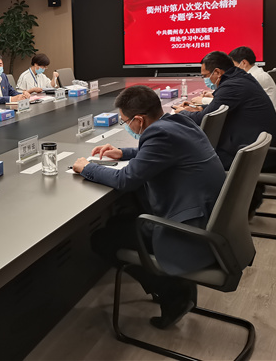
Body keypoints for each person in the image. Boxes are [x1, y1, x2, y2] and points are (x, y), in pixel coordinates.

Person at [71, 85, 224, 329]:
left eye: (125, 121)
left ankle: (174, 294)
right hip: (206, 218)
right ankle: (177, 287)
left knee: (103, 239)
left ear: (139, 120)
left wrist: (87, 168)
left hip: (187, 231)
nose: (126, 126)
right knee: (121, 221)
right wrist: (122, 153)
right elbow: (158, 152)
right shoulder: (179, 122)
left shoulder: (158, 135)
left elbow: (125, 180)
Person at [173, 51, 276, 173]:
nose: (205, 79)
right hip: (259, 150)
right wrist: (199, 108)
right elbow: (218, 107)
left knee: (189, 156)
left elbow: (204, 119)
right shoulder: (240, 78)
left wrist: (182, 112)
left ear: (217, 72)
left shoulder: (232, 86)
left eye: (205, 76)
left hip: (255, 157)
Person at [228, 46, 276, 117]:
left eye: (234, 65)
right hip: (265, 115)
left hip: (267, 119)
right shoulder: (256, 73)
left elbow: (235, 97)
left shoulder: (255, 77)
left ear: (244, 63)